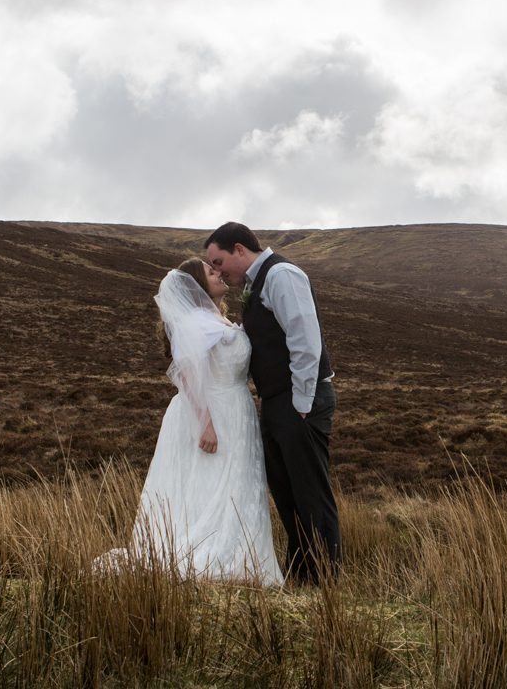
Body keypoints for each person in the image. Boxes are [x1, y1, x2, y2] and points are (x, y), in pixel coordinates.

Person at [103, 258, 283, 586]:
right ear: (198, 285)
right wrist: (206, 424)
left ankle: (241, 555)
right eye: (210, 272)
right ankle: (210, 554)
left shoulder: (218, 319)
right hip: (213, 412)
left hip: (235, 410)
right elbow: (186, 375)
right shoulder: (197, 323)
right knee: (211, 483)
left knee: (234, 483)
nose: (218, 273)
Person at [205, 222, 340, 584]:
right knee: (286, 492)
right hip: (277, 401)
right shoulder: (254, 285)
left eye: (218, 262)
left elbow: (305, 340)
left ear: (239, 249)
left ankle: (323, 578)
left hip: (298, 401)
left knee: (310, 490)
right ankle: (301, 571)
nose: (218, 271)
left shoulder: (281, 274)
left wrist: (301, 404)